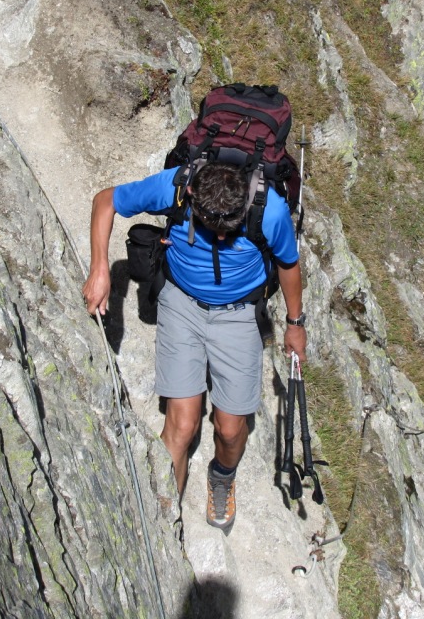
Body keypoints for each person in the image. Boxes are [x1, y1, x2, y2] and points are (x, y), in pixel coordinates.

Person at [83, 162, 307, 533]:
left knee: (230, 430)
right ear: (191, 195)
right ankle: (163, 527)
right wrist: (100, 268)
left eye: (229, 228)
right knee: (181, 426)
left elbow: (288, 263)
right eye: (210, 225)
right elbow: (105, 201)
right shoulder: (175, 185)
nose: (219, 236)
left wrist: (295, 324)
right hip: (181, 305)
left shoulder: (269, 210)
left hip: (239, 314)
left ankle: (222, 475)